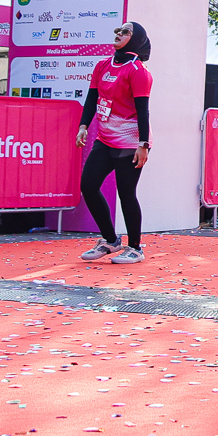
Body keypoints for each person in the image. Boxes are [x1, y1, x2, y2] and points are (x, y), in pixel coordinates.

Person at [74, 22, 155, 260]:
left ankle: (136, 248)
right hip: (105, 138)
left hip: (130, 141)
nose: (119, 34)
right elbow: (92, 98)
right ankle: (110, 241)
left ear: (136, 39)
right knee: (88, 186)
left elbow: (143, 110)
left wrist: (143, 144)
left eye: (125, 32)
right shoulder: (102, 65)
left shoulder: (138, 71)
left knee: (126, 193)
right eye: (117, 31)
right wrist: (83, 126)